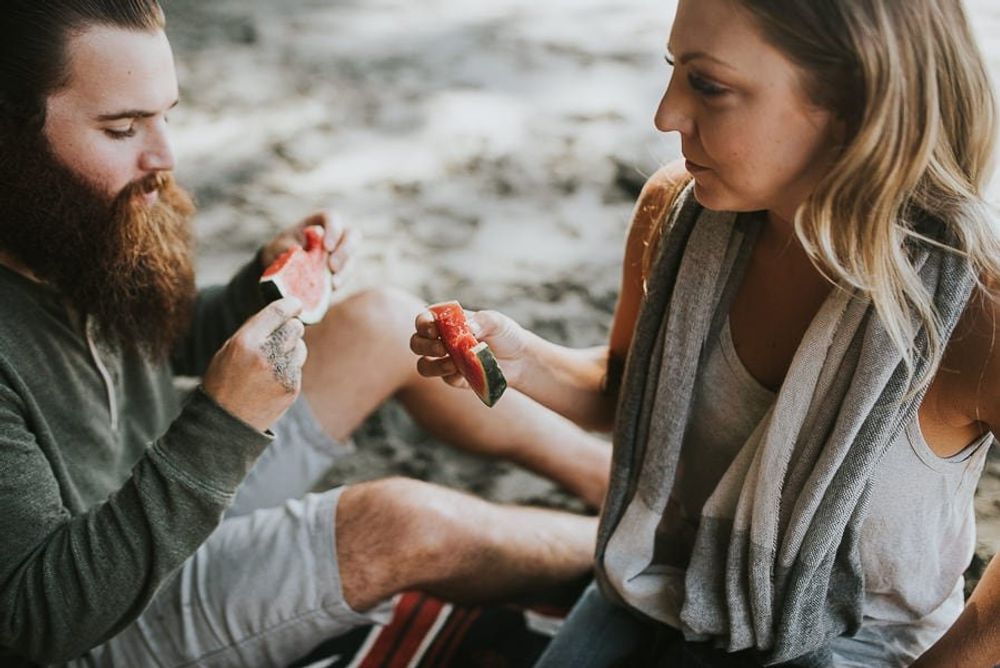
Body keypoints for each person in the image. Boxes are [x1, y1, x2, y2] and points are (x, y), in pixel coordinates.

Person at [0, 2, 613, 665]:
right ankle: (635, 555)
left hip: (161, 498)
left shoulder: (51, 227)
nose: (165, 157)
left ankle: (622, 487)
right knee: (402, 524)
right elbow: (42, 617)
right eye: (123, 129)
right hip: (100, 617)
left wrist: (262, 284)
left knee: (380, 320)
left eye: (166, 116)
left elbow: (156, 335)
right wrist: (222, 424)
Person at [413, 0, 1000, 665]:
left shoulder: (973, 310)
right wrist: (519, 362)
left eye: (708, 85)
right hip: (659, 585)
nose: (665, 115)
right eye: (673, 71)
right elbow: (630, 392)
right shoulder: (677, 217)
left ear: (850, 99)